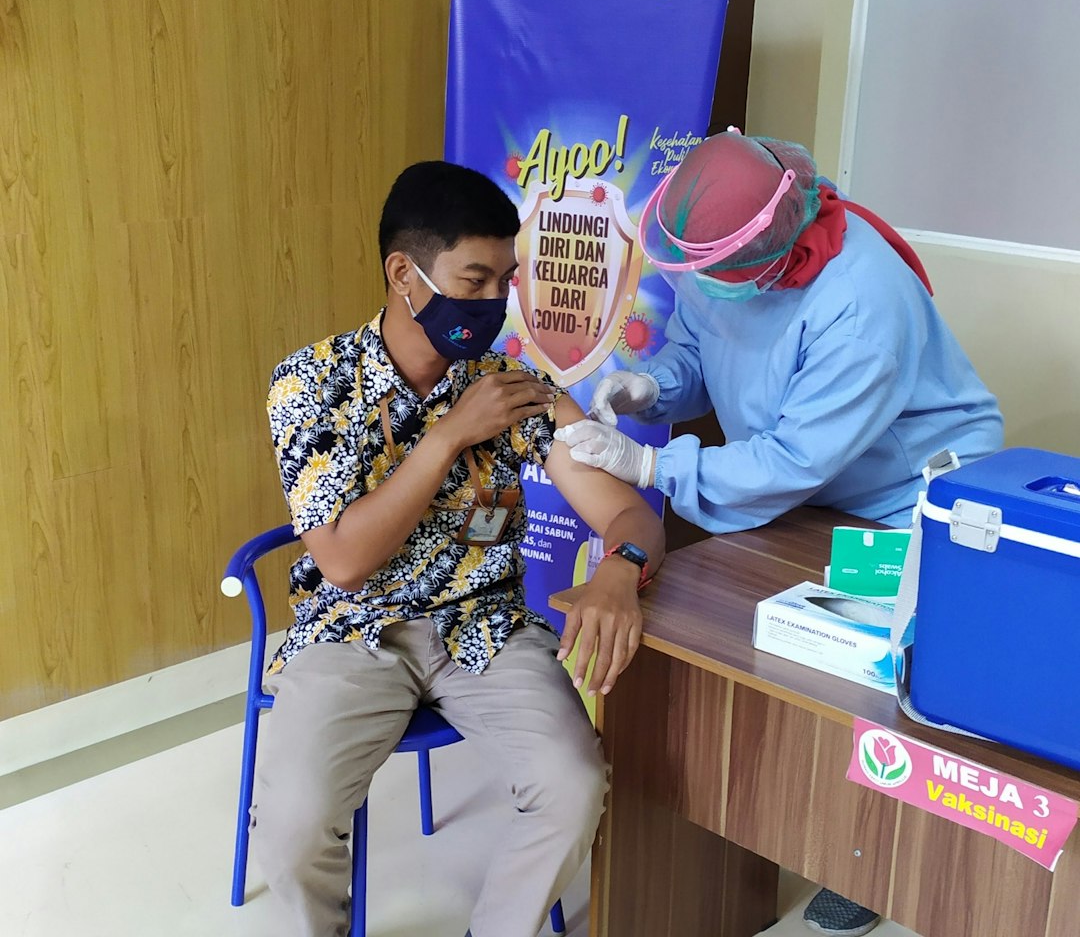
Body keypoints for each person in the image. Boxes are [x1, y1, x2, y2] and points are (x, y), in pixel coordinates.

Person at [555, 130, 1003, 937]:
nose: (700, 283)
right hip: (808, 481)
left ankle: (873, 864)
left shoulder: (862, 297)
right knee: (760, 656)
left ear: (765, 253)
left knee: (879, 683)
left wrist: (652, 469)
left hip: (908, 492)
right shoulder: (715, 254)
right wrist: (650, 386)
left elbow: (795, 458)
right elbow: (700, 344)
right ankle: (769, 827)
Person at [253, 160, 665, 937]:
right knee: (293, 824)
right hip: (353, 631)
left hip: (486, 629)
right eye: (473, 280)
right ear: (403, 274)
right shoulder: (311, 385)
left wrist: (622, 568)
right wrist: (448, 435)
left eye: (504, 282)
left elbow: (628, 514)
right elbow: (342, 561)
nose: (492, 305)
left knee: (574, 786)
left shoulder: (513, 385)